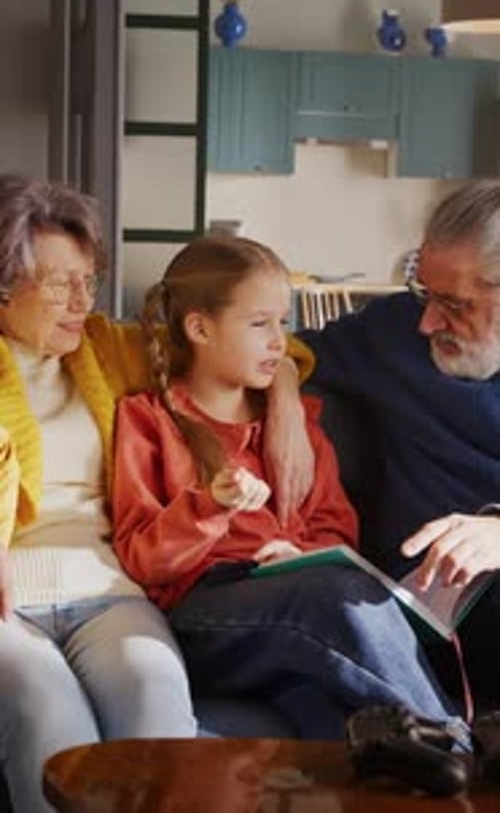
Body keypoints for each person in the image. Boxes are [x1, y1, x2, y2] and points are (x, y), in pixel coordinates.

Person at [112, 233, 461, 743]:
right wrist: (210, 508)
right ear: (200, 328)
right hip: (202, 612)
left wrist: (298, 554)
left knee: (337, 712)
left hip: (291, 604)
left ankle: (440, 768)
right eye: (260, 324)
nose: (280, 340)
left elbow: (332, 524)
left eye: (283, 321)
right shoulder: (147, 420)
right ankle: (466, 753)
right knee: (333, 598)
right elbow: (141, 557)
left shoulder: (297, 426)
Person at [0, 174, 197, 813]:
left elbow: (243, 347)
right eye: (60, 283)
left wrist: (279, 394)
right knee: (50, 718)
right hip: (6, 606)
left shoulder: (108, 349)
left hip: (106, 590)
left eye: (88, 280)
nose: (82, 301)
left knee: (155, 690)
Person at [283, 179, 500, 711]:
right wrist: (285, 401)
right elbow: (274, 352)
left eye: (452, 303)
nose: (427, 322)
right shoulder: (391, 332)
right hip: (411, 620)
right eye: (423, 292)